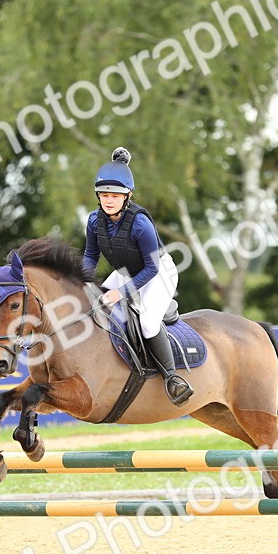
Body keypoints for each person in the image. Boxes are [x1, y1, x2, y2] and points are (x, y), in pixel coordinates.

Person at [82, 147, 194, 406]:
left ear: (127, 196)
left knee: (147, 322)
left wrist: (120, 293)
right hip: (126, 272)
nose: (108, 200)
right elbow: (90, 255)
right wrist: (82, 279)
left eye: (115, 195)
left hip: (158, 273)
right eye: (104, 195)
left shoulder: (140, 224)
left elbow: (151, 269)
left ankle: (173, 379)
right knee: (92, 303)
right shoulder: (93, 221)